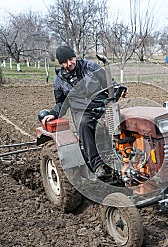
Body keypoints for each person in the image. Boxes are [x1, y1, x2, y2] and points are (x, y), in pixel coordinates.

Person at [41, 45, 123, 179]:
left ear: (75, 56)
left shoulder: (91, 67)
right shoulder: (59, 80)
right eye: (64, 62)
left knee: (123, 119)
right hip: (82, 111)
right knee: (84, 124)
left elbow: (110, 84)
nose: (68, 64)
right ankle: (98, 165)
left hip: (101, 105)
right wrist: (53, 113)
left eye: (70, 59)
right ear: (60, 63)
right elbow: (61, 102)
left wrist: (118, 89)